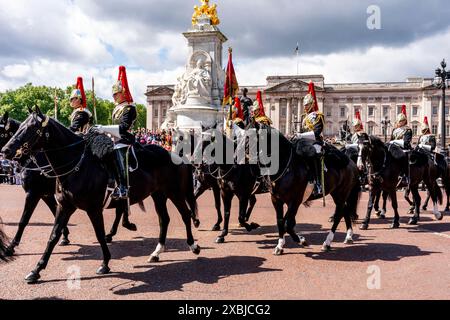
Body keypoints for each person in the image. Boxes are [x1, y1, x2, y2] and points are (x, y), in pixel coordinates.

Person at [110, 66, 137, 200]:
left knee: (120, 157)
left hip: (125, 140)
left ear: (123, 92)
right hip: (114, 140)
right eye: (113, 94)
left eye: (116, 94)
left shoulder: (129, 108)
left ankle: (123, 187)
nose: (113, 96)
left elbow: (124, 126)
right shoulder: (116, 109)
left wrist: (105, 128)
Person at [390, 105, 413, 187]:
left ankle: (406, 177)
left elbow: (406, 142)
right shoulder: (394, 130)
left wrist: (394, 141)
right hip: (394, 149)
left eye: (402, 121)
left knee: (404, 157)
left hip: (404, 149)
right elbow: (391, 140)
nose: (400, 122)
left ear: (405, 121)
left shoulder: (408, 130)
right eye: (399, 121)